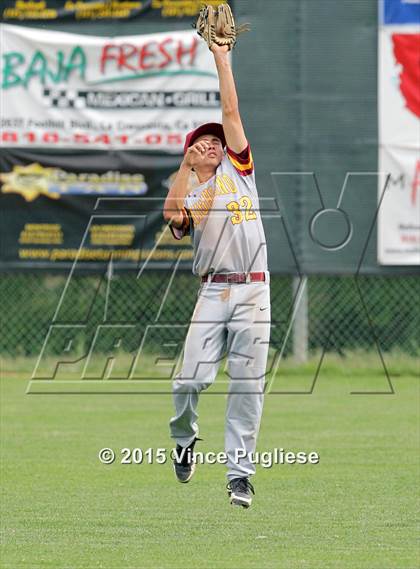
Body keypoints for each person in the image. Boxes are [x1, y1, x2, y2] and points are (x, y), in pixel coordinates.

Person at [163, 43, 270, 508]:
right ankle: (184, 438)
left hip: (254, 288)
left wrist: (222, 57)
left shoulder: (239, 170)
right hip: (212, 291)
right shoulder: (194, 191)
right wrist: (184, 170)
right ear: (189, 156)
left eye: (213, 140)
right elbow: (174, 220)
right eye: (199, 142)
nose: (210, 143)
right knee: (188, 381)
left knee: (248, 383)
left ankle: (239, 476)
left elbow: (229, 108)